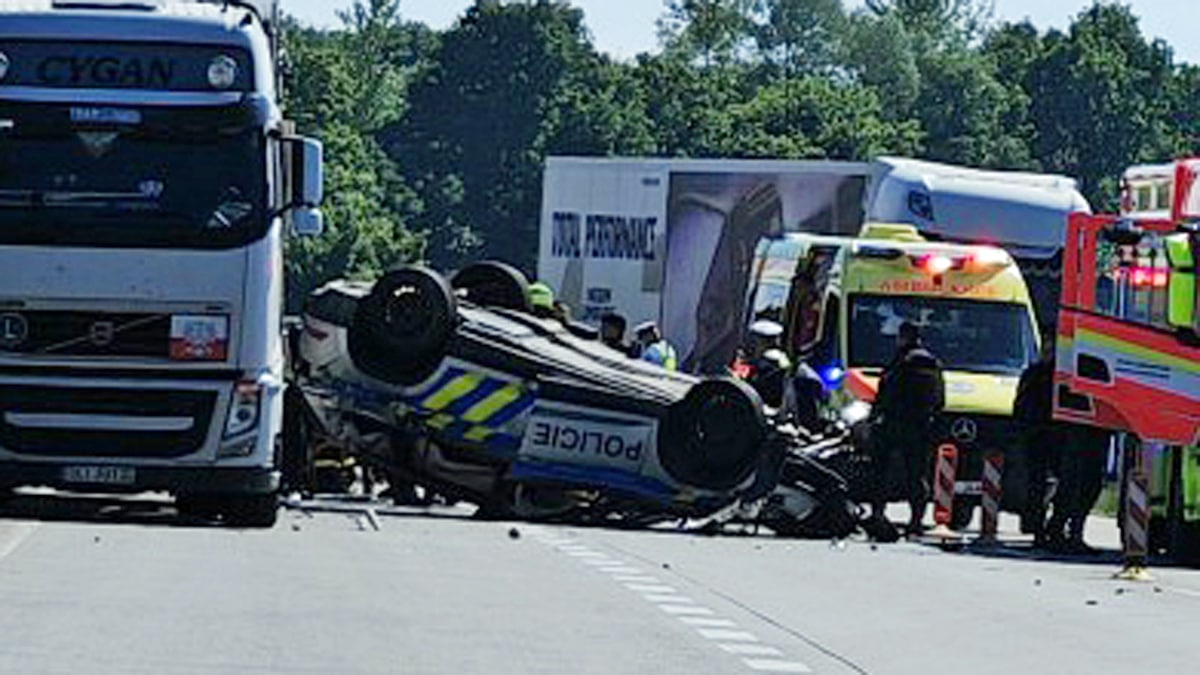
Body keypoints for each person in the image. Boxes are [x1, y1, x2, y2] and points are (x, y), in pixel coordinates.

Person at [870, 321, 946, 536]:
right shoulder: (933, 363)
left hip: (894, 424)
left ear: (903, 337)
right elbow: (940, 399)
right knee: (917, 475)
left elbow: (888, 393)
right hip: (921, 427)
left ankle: (878, 515)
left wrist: (877, 415)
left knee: (880, 472)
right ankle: (916, 521)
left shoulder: (901, 362)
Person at [1014, 331, 1059, 546]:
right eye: (1046, 349)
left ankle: (1049, 527)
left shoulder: (1059, 376)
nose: (1047, 353)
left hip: (1055, 435)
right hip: (1037, 435)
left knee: (1052, 484)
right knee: (1036, 485)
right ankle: (1036, 527)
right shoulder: (1034, 374)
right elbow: (1020, 405)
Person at [1045, 424, 1111, 554]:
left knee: (1085, 483)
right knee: (1078, 483)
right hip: (1080, 427)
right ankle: (1063, 530)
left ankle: (1065, 530)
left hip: (1091, 427)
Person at [745, 319, 792, 409]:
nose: (753, 345)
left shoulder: (768, 362)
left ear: (764, 342)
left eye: (756, 341)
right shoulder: (782, 359)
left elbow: (756, 391)